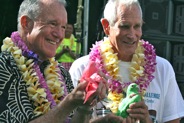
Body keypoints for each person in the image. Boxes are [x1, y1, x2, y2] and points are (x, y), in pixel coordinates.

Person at [0, 0, 127, 123]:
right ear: (26, 23)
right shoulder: (4, 66)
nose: (60, 35)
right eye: (53, 24)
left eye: (63, 27)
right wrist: (69, 102)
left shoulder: (61, 73)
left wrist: (85, 108)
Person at [69, 0, 184, 122]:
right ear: (106, 27)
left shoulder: (162, 68)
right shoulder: (82, 68)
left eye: (137, 26)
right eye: (125, 26)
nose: (132, 34)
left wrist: (146, 120)